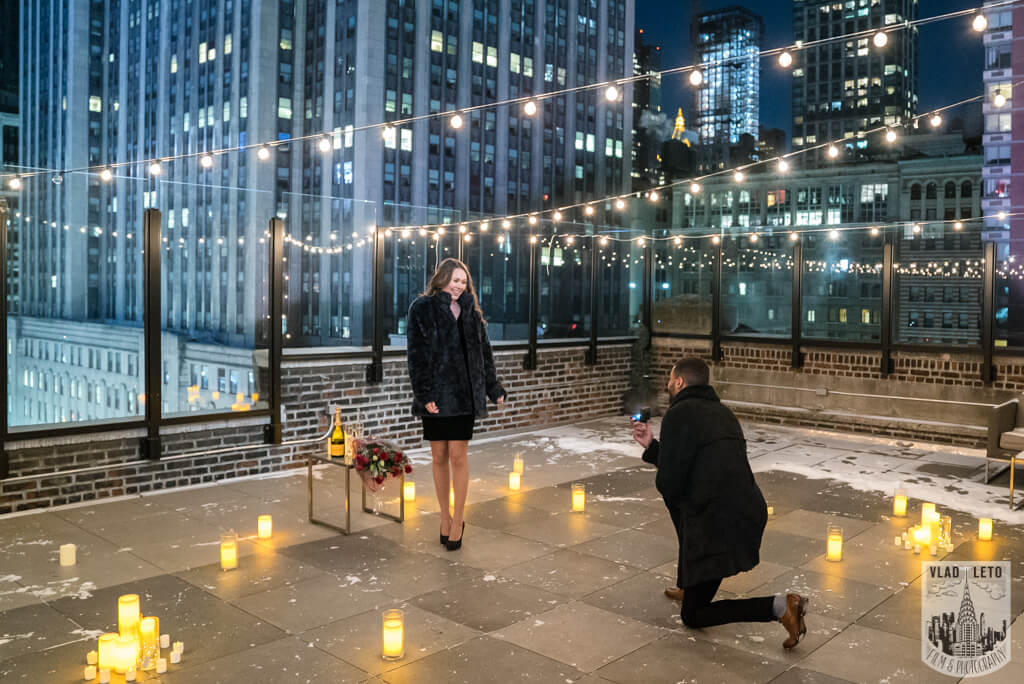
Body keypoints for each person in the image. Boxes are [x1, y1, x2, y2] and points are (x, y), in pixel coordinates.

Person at [631, 357, 808, 649]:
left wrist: (665, 474)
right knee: (684, 510)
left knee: (694, 615)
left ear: (679, 382)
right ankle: (689, 585)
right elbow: (698, 463)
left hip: (719, 524)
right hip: (744, 512)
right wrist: (652, 446)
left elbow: (672, 483)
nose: (667, 384)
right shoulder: (722, 412)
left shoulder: (679, 414)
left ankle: (781, 607)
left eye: (670, 379)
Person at [407, 258, 506, 551]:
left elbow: (483, 355)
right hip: (436, 397)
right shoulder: (422, 309)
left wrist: (493, 388)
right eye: (454, 280)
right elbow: (416, 355)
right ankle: (445, 516)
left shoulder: (471, 313)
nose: (459, 285)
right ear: (441, 279)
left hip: (464, 396)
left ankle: (459, 520)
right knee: (438, 455)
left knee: (458, 456)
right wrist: (425, 395)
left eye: (463, 281)